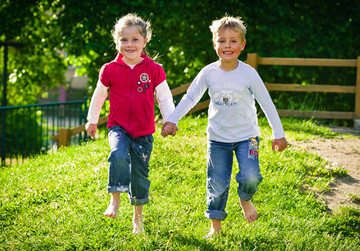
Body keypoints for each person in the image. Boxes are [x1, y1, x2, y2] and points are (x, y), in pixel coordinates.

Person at [161, 15, 288, 237]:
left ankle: (245, 197)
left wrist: (279, 134)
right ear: (214, 44)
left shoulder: (249, 73)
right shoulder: (208, 72)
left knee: (251, 176)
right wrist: (172, 119)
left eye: (233, 41)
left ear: (242, 45)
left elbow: (266, 103)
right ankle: (215, 228)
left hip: (248, 137)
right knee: (217, 183)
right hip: (217, 139)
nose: (227, 45)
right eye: (222, 41)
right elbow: (191, 98)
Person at [86, 13, 175, 234]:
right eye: (124, 40)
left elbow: (165, 98)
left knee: (139, 175)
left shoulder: (154, 69)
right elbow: (99, 96)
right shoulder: (109, 69)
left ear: (145, 42)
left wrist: (169, 120)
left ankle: (138, 218)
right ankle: (115, 199)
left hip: (144, 132)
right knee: (117, 154)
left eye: (135, 39)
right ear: (117, 42)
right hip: (118, 127)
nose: (129, 44)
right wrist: (92, 120)